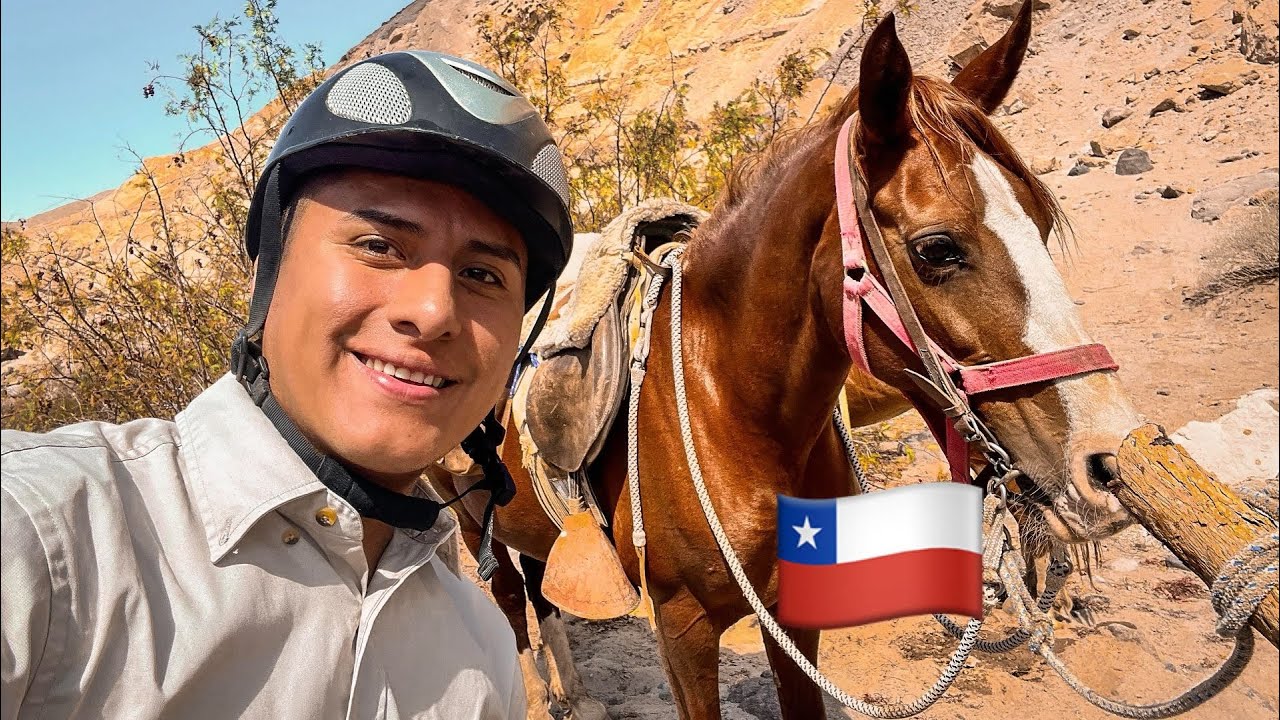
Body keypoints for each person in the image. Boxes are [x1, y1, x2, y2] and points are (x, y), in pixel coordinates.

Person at [1, 50, 572, 719]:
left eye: (483, 275)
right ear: (267, 273)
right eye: (379, 246)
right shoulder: (46, 542)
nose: (433, 311)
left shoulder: (483, 653)